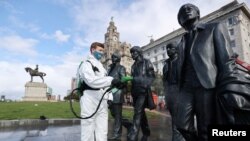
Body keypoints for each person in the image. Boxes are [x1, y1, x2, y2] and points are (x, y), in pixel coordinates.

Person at [175, 3, 238, 141]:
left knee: (206, 128)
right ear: (180, 21)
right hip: (186, 88)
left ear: (198, 14)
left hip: (207, 85)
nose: (186, 10)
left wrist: (230, 87)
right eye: (182, 11)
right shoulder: (181, 43)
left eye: (190, 8)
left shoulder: (214, 28)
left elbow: (226, 59)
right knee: (181, 125)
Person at [76, 42, 121, 141]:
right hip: (89, 98)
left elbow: (105, 86)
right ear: (92, 50)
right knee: (88, 128)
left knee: (102, 129)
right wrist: (111, 80)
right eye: (100, 50)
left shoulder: (102, 68)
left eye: (103, 51)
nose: (102, 53)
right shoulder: (86, 64)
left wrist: (110, 97)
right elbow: (91, 80)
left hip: (102, 100)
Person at [125, 46, 155, 141]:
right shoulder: (133, 66)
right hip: (135, 92)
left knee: (137, 112)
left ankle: (133, 135)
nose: (132, 55)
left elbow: (151, 77)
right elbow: (133, 80)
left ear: (138, 53)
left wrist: (137, 80)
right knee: (140, 113)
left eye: (133, 52)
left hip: (143, 92)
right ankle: (146, 131)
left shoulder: (146, 62)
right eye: (131, 53)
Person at [162, 43, 185, 141]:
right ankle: (178, 137)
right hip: (170, 93)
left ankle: (178, 138)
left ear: (176, 49)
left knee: (179, 118)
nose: (168, 50)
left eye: (170, 48)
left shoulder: (182, 60)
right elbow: (164, 80)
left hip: (180, 93)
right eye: (167, 48)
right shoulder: (166, 63)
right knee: (174, 118)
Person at [107, 52, 127, 140]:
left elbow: (123, 81)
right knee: (114, 114)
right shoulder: (110, 69)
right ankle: (129, 125)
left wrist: (115, 87)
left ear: (119, 58)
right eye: (112, 57)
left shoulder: (121, 68)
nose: (112, 59)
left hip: (118, 94)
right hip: (110, 94)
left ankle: (117, 134)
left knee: (117, 115)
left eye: (114, 57)